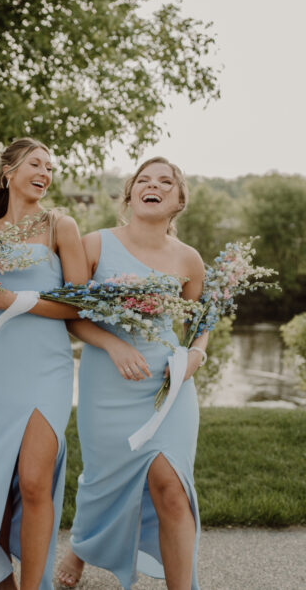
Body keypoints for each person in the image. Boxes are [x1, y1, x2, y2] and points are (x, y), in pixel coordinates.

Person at [57, 157, 207, 590]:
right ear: (130, 194)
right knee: (105, 478)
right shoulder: (94, 245)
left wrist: (195, 356)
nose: (152, 185)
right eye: (144, 179)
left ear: (178, 201)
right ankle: (82, 544)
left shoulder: (189, 259)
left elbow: (200, 325)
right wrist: (113, 343)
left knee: (171, 487)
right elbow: (71, 314)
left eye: (165, 182)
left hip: (167, 384)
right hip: (109, 380)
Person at [0, 138, 86, 590]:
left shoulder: (60, 226)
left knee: (32, 480)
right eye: (35, 163)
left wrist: (14, 299)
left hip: (47, 366)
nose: (44, 172)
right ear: (8, 172)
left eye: (50, 165)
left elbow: (79, 305)